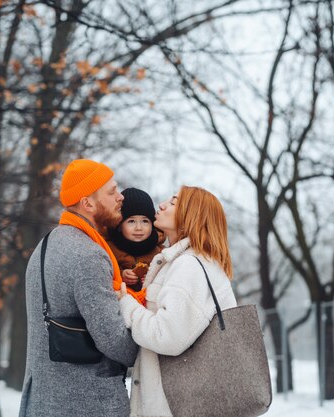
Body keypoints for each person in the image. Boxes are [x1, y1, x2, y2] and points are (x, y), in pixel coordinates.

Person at [19, 159, 139, 417]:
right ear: (88, 203)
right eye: (112, 192)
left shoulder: (45, 246)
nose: (120, 198)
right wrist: (153, 338)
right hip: (86, 403)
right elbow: (114, 341)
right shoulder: (88, 255)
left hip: (45, 400)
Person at [117, 185, 238, 417]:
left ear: (189, 216)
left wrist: (126, 304)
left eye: (173, 202)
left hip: (174, 406)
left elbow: (167, 337)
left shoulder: (189, 265)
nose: (161, 205)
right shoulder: (183, 261)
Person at [107, 187, 164, 292]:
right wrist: (121, 274)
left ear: (152, 224)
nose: (139, 227)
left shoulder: (161, 253)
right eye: (131, 221)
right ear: (119, 225)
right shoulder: (109, 249)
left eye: (145, 221)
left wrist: (152, 279)